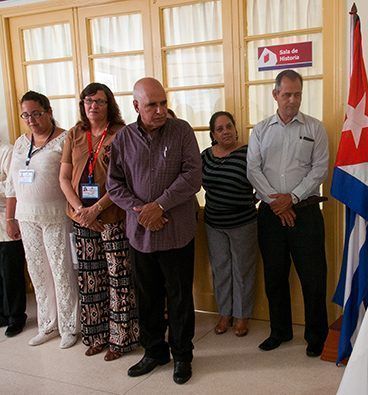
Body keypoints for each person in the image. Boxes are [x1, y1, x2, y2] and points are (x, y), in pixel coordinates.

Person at [107, 77, 202, 385]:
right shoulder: (122, 139)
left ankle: (183, 355)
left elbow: (192, 176)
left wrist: (158, 206)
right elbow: (114, 184)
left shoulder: (182, 131)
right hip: (141, 234)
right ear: (136, 106)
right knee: (147, 297)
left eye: (163, 102)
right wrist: (142, 212)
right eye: (152, 105)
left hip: (177, 232)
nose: (161, 110)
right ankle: (154, 352)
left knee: (179, 297)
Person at [247, 69, 329, 357]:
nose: (292, 100)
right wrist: (276, 203)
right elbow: (252, 169)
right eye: (287, 94)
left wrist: (291, 199)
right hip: (270, 215)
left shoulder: (315, 128)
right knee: (275, 276)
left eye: (297, 94)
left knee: (313, 278)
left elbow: (319, 169)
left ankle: (316, 335)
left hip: (305, 213)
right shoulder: (260, 130)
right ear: (275, 95)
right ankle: (279, 331)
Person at [59, 83, 139, 360]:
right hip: (82, 219)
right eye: (88, 100)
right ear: (82, 104)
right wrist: (82, 210)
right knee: (90, 279)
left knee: (119, 279)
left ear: (110, 105)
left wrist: (97, 209)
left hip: (112, 217)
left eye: (100, 101)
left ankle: (121, 339)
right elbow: (64, 178)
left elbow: (127, 180)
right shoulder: (74, 134)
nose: (93, 105)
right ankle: (96, 335)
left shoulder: (122, 134)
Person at [5, 91, 79, 348]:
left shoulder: (65, 138)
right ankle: (48, 324)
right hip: (26, 217)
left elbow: (71, 178)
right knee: (37, 272)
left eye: (36, 113)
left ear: (48, 111)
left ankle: (69, 326)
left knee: (61, 270)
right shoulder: (20, 143)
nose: (31, 119)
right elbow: (12, 184)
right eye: (26, 114)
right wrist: (10, 217)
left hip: (56, 215)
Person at [202, 111, 257, 337]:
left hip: (242, 222)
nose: (226, 131)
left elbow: (261, 182)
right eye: (220, 129)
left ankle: (242, 316)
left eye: (229, 126)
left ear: (236, 128)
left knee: (243, 270)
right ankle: (225, 313)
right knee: (221, 269)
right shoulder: (205, 155)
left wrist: (249, 201)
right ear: (213, 134)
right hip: (214, 223)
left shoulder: (248, 153)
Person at [0, 140, 27, 337]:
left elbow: (13, 185)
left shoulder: (7, 151)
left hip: (6, 219)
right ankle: (2, 313)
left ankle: (16, 316)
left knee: (10, 271)